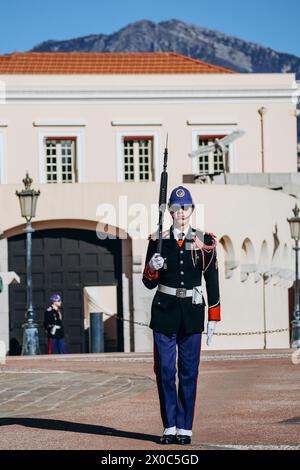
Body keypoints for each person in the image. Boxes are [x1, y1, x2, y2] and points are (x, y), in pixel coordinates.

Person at [142, 185, 221, 445]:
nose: (181, 213)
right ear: (170, 212)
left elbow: (212, 279)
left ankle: (185, 428)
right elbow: (147, 282)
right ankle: (170, 425)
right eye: (176, 209)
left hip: (192, 313)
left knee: (188, 371)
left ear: (192, 210)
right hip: (164, 312)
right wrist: (152, 268)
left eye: (186, 208)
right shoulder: (158, 241)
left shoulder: (205, 241)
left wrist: (214, 317)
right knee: (165, 371)